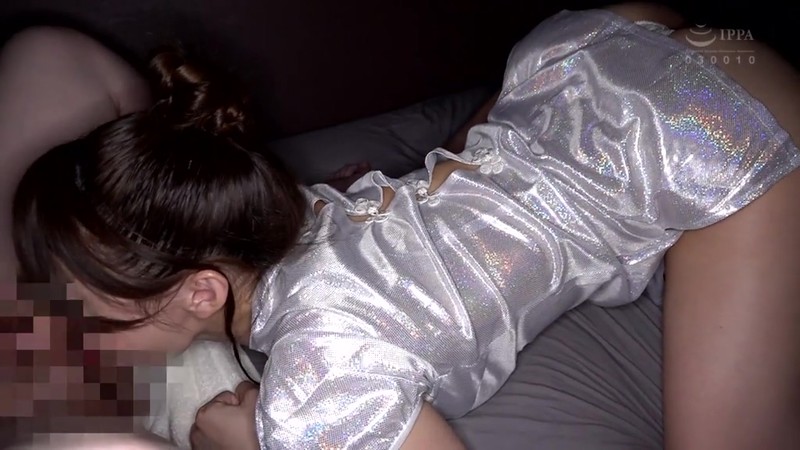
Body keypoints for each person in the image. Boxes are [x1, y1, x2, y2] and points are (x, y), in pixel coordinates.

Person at [3, 3, 800, 450]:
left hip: (710, 131)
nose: (55, 330)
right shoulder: (283, 214)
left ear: (200, 293)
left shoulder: (319, 386)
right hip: (598, 47)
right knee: (474, 166)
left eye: (85, 319)